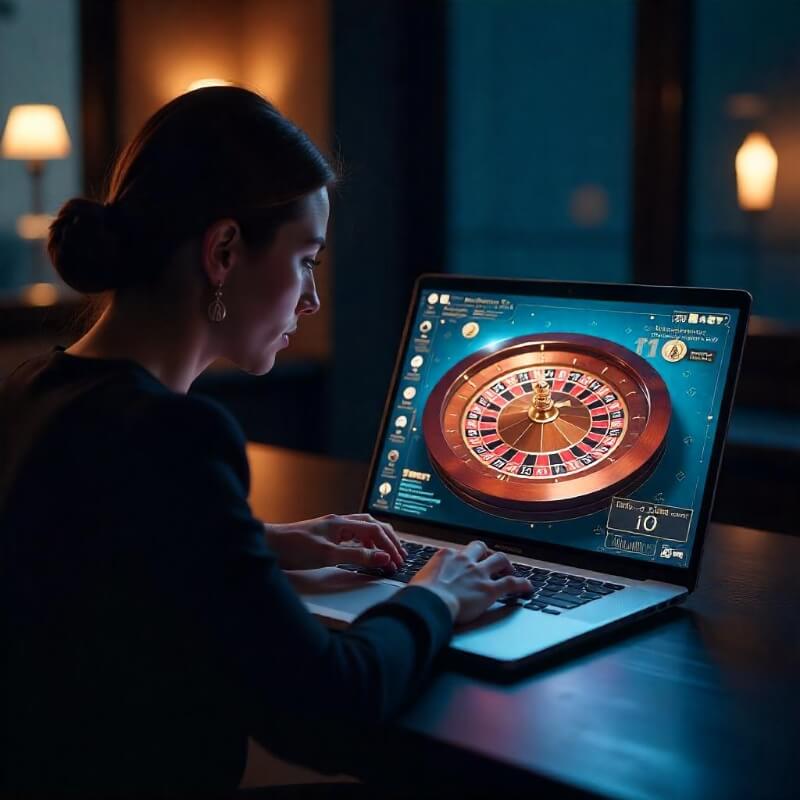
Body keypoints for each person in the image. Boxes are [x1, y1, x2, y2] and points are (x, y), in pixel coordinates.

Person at [0, 87, 531, 795]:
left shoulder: (30, 391)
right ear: (223, 250)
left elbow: (94, 551)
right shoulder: (172, 436)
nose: (311, 299)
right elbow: (328, 710)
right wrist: (439, 594)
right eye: (307, 259)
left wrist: (257, 541)